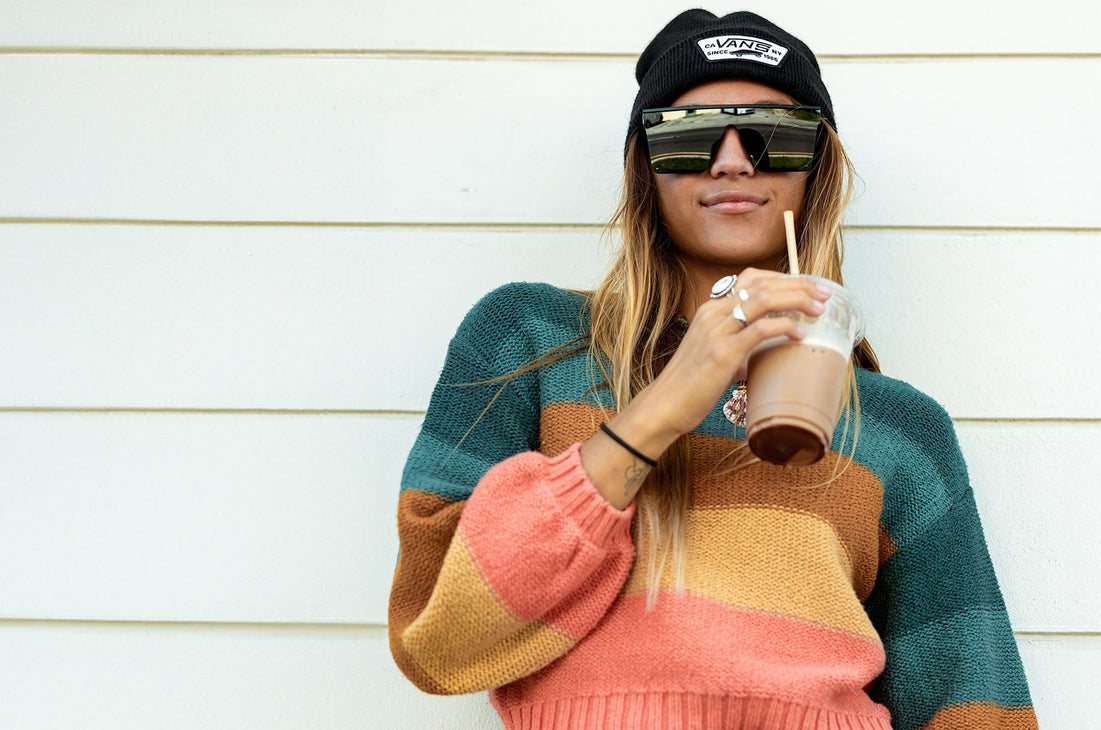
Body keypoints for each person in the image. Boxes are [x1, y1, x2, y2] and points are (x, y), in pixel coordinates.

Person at [387, 9, 1038, 729]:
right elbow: (437, 645)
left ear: (814, 169)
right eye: (689, 135)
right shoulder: (529, 340)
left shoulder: (896, 426)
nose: (732, 161)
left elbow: (971, 698)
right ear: (644, 167)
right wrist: (666, 403)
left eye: (775, 135)